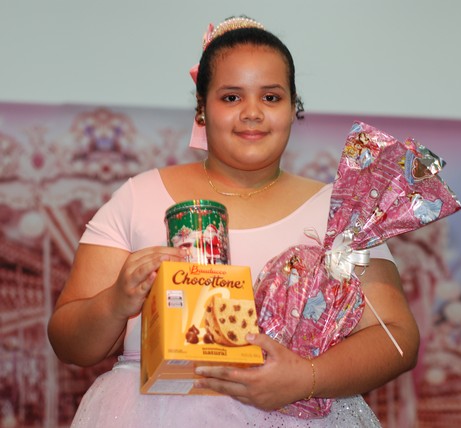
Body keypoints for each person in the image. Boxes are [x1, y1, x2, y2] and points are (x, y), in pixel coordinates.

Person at [48, 16, 419, 427]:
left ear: (294, 107)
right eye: (231, 97)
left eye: (271, 97)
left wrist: (306, 377)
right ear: (201, 109)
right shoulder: (140, 197)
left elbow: (397, 337)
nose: (252, 113)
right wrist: (116, 301)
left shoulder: (340, 209)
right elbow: (68, 344)